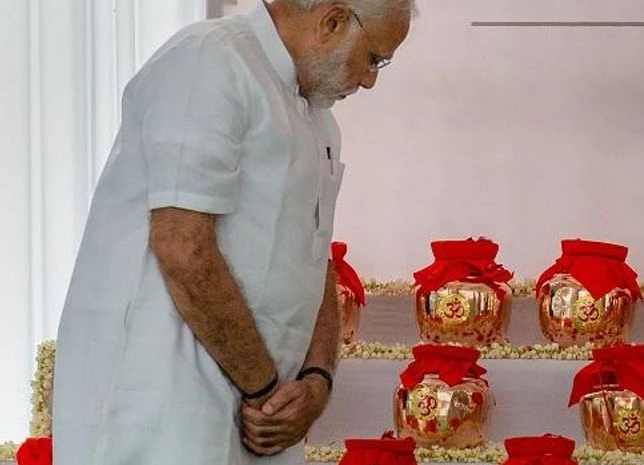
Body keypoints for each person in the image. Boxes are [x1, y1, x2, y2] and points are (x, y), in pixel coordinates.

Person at [51, 0, 414, 463]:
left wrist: (317, 379)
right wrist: (263, 388)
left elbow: (315, 256)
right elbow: (182, 245)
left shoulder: (319, 119)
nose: (369, 80)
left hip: (262, 407)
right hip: (166, 399)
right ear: (334, 21)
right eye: (374, 58)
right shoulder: (211, 61)